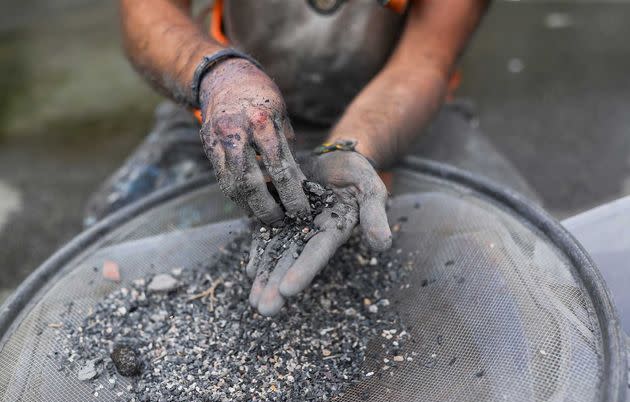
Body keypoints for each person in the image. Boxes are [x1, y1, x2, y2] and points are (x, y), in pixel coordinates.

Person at [87, 0, 534, 315]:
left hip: (391, 109)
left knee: (522, 252)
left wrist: (353, 147)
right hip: (223, 107)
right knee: (114, 256)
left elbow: (427, 57)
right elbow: (147, 11)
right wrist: (216, 74)